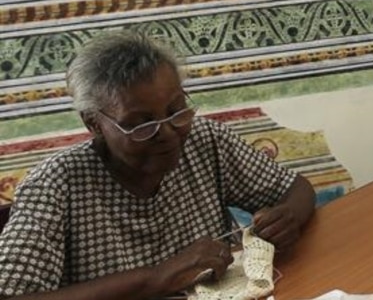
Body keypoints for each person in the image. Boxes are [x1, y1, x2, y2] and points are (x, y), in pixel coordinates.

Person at [0, 31, 316, 300]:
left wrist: (288, 217)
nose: (166, 132)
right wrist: (155, 278)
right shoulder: (55, 186)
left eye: (177, 110)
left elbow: (296, 189)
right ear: (94, 124)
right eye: (140, 124)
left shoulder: (205, 141)